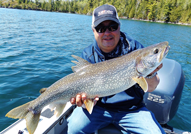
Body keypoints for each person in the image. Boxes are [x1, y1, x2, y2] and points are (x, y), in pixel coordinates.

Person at [67, 4, 165, 134]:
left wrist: (149, 74)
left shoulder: (135, 48)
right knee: (74, 128)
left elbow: (152, 87)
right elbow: (85, 101)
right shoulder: (88, 55)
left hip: (132, 110)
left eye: (112, 27)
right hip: (98, 109)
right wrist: (84, 101)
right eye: (101, 28)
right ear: (93, 30)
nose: (107, 33)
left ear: (119, 27)